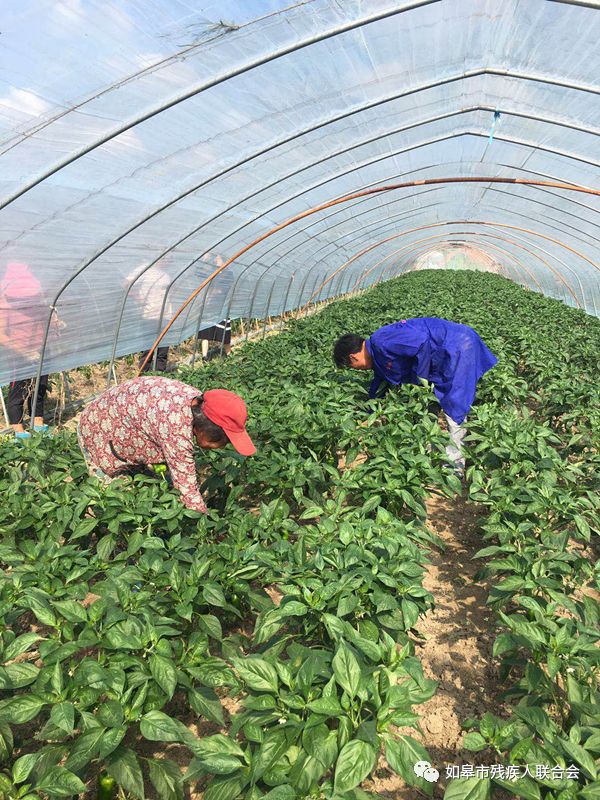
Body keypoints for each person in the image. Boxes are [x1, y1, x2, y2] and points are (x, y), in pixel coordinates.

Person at [333, 318, 498, 475]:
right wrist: (369, 413)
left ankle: (454, 469)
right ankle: (428, 458)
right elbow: (380, 381)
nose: (358, 370)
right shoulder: (377, 352)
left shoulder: (381, 342)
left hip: (457, 346)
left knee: (454, 408)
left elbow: (421, 343)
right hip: (446, 351)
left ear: (352, 357)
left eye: (353, 367)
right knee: (429, 409)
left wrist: (421, 380)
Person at [77, 376, 255, 512]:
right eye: (222, 440)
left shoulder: (198, 403)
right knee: (115, 501)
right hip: (98, 430)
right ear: (206, 428)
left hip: (124, 421)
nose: (223, 446)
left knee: (149, 489)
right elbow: (188, 493)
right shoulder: (176, 426)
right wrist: (205, 529)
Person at [0, 262, 59, 438]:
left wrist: (55, 320)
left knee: (40, 386)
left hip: (41, 348)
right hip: (19, 352)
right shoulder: (4, 305)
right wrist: (23, 351)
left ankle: (38, 422)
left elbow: (45, 318)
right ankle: (19, 430)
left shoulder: (37, 302)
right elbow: (2, 335)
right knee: (19, 389)